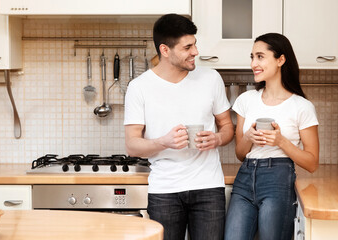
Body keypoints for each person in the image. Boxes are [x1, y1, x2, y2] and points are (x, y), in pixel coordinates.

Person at [124, 14, 235, 240]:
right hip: (165, 190)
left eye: (195, 44)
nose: (195, 52)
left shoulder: (211, 79)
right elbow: (132, 145)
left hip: (208, 187)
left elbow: (227, 127)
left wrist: (217, 139)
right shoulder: (139, 87)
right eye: (187, 47)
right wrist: (163, 142)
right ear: (165, 50)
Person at [224, 33, 319, 240]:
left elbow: (311, 162)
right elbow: (240, 154)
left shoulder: (302, 106)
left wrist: (281, 141)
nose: (253, 64)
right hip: (245, 178)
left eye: (260, 57)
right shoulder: (246, 100)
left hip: (278, 180)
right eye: (252, 57)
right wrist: (248, 137)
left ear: (280, 60)